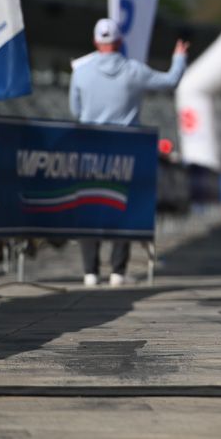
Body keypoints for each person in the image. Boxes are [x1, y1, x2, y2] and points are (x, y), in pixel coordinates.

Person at [69, 19, 188, 287]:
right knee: (122, 206)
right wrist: (179, 58)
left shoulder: (81, 72)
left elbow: (76, 110)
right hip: (126, 148)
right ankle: (117, 272)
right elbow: (171, 80)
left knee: (90, 206)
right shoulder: (134, 70)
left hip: (91, 147)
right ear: (120, 42)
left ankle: (90, 272)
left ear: (95, 42)